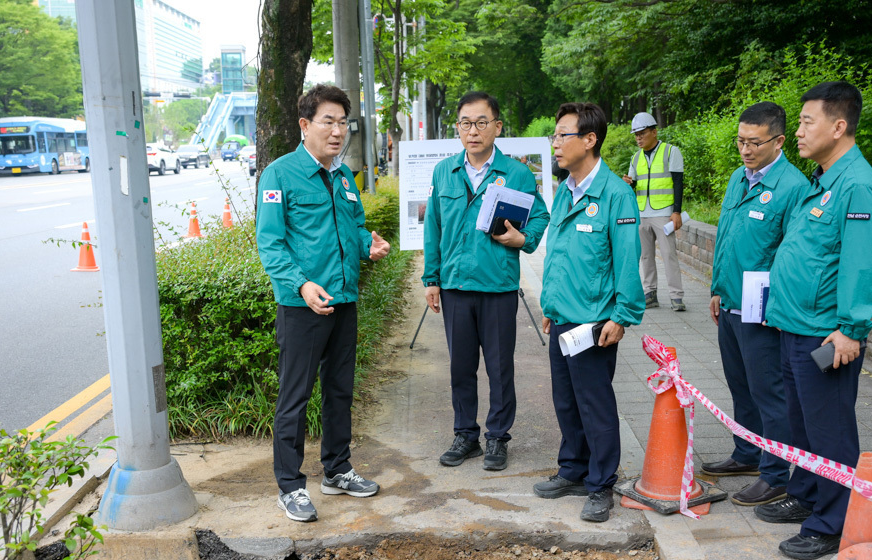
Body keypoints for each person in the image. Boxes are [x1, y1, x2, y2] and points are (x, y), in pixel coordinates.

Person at [755, 81, 872, 559]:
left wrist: (852, 329)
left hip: (826, 334)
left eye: (806, 121)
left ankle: (834, 522)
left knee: (830, 430)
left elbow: (859, 265)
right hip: (796, 325)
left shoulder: (856, 187)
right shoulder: (824, 180)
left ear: (838, 126)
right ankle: (810, 493)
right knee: (805, 424)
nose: (797, 132)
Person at [256, 84, 392, 522]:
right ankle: (290, 485)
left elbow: (353, 228)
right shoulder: (279, 174)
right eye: (327, 121)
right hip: (303, 307)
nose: (337, 131)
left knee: (340, 390)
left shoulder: (343, 175)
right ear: (304, 125)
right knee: (295, 396)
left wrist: (366, 244)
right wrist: (301, 285)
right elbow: (270, 244)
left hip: (344, 300)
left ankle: (336, 469)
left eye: (343, 123)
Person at [422, 92, 550, 471]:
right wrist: (432, 278)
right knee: (460, 367)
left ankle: (497, 438)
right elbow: (434, 226)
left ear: (497, 127)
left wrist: (522, 240)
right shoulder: (444, 170)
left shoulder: (517, 173)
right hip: (455, 287)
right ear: (457, 128)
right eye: (465, 123)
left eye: (481, 122)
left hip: (497, 287)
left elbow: (540, 218)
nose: (472, 131)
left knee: (499, 367)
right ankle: (466, 435)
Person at [533, 102, 645, 522]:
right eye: (555, 136)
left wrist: (622, 315)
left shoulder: (616, 194)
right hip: (562, 315)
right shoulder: (565, 189)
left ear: (590, 140)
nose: (556, 144)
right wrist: (550, 306)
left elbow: (627, 260)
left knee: (595, 403)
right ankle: (573, 469)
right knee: (566, 400)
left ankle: (601, 484)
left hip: (595, 321)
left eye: (563, 135)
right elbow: (559, 254)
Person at [701, 102, 808, 507]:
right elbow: (728, 236)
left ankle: (776, 473)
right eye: (740, 141)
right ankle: (746, 452)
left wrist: (776, 309)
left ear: (779, 141)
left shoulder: (792, 188)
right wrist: (716, 287)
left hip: (762, 310)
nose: (745, 150)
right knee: (740, 385)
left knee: (769, 392)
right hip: (729, 302)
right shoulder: (737, 178)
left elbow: (792, 255)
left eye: (754, 143)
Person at [624, 112, 685, 311]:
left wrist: (676, 212)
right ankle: (650, 294)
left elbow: (678, 183)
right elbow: (634, 186)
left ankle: (676, 297)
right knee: (646, 256)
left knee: (669, 255)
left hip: (664, 213)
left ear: (654, 132)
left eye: (642, 133)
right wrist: (629, 184)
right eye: (636, 135)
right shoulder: (635, 157)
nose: (638, 138)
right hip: (642, 214)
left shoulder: (670, 151)